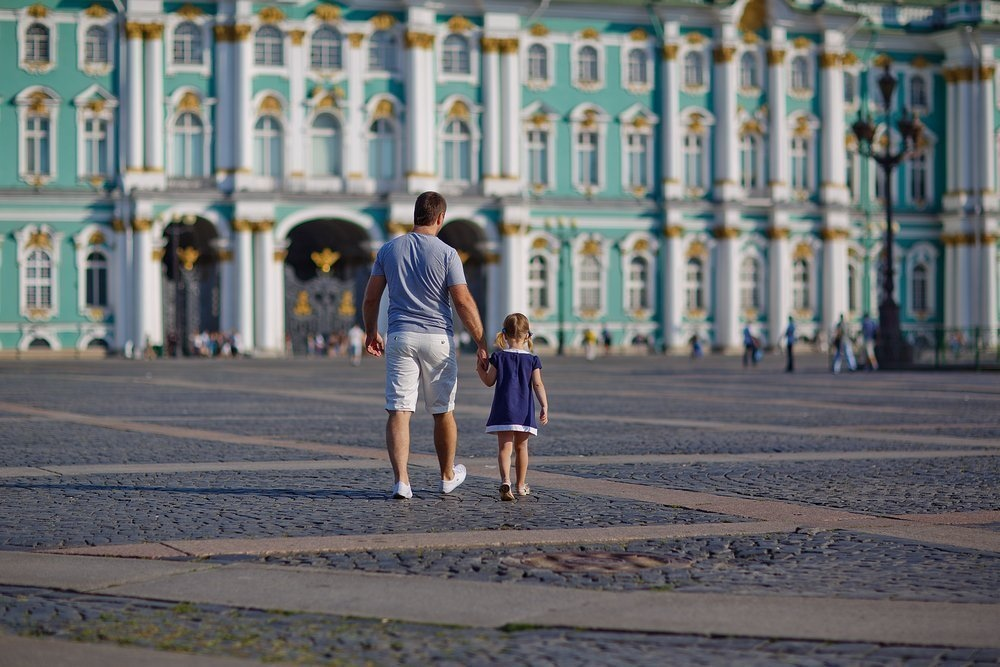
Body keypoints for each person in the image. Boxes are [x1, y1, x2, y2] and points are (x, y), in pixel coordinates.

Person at [362, 191, 489, 500]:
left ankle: (402, 482)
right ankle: (447, 476)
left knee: (399, 411)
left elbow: (371, 297)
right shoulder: (447, 253)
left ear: (414, 215)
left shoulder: (389, 250)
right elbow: (462, 301)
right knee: (443, 410)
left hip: (400, 336)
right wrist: (481, 341)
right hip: (438, 339)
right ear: (440, 218)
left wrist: (370, 332)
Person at [477, 313, 548, 501]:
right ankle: (521, 485)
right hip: (523, 411)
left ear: (505, 335)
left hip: (503, 409)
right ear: (527, 336)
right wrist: (544, 406)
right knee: (522, 447)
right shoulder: (533, 360)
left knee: (504, 449)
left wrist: (480, 370)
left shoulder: (498, 357)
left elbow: (489, 381)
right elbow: (538, 385)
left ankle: (506, 480)